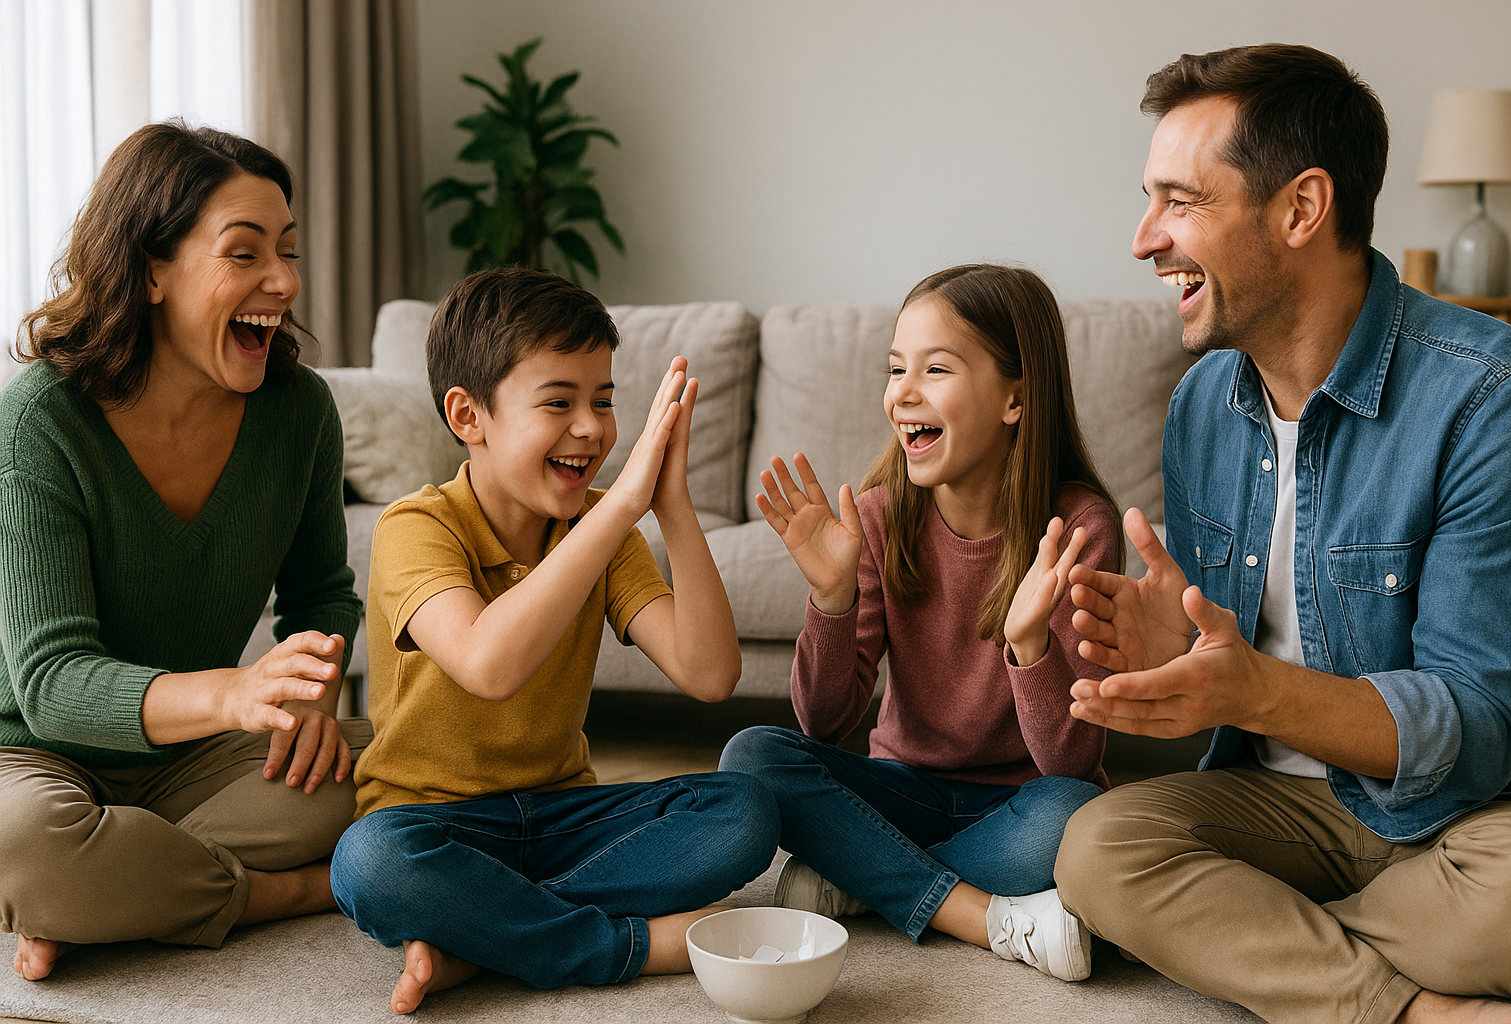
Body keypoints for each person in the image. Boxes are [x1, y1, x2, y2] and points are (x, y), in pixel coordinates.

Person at [1055, 44, 1511, 1024]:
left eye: (1180, 201)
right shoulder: (1200, 405)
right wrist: (1178, 657)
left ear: (1301, 209)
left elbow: (1485, 729)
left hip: (1460, 819)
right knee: (1095, 848)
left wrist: (1252, 688)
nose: (1146, 238)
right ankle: (1415, 1008)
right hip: (1277, 806)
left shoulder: (1492, 395)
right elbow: (1224, 659)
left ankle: (1267, 942)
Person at [328, 267, 778, 1014]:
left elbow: (709, 675)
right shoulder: (415, 527)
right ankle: (624, 946)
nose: (593, 428)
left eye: (603, 400)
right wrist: (622, 504)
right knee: (370, 863)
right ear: (469, 416)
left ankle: (483, 937)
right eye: (559, 402)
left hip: (567, 816)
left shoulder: (601, 526)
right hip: (433, 822)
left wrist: (669, 505)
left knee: (745, 811)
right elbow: (487, 663)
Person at [0, 122, 370, 981]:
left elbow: (321, 594)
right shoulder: (41, 420)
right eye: (244, 255)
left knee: (403, 773)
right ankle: (274, 893)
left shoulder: (300, 412)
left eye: (287, 250)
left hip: (192, 761)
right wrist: (239, 692)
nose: (283, 282)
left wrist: (309, 697)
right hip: (28, 753)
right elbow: (51, 686)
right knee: (30, 841)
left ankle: (100, 898)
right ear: (150, 270)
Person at [719, 264, 1121, 982]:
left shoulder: (1077, 526)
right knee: (752, 757)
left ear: (1015, 397)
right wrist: (832, 601)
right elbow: (821, 722)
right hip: (901, 790)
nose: (902, 393)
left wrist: (1029, 645)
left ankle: (862, 877)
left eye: (935, 369)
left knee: (1075, 817)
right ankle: (983, 916)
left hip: (1022, 805)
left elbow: (1067, 760)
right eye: (896, 368)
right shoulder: (878, 516)